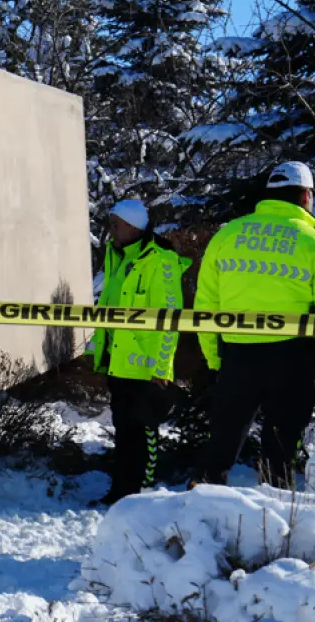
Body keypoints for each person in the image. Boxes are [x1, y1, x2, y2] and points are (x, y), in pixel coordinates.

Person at [191, 161, 315, 490]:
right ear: (305, 196)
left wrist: (215, 359)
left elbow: (205, 304)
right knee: (281, 449)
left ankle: (194, 516)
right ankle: (275, 528)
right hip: (293, 358)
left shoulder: (228, 235)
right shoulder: (312, 241)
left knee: (220, 446)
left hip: (237, 355)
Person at [86, 199, 190, 506]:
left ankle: (143, 496)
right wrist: (97, 348)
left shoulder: (161, 261)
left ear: (133, 226)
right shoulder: (116, 255)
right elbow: (107, 305)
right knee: (124, 431)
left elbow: (172, 317)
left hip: (146, 368)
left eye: (115, 224)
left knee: (144, 432)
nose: (111, 230)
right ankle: (121, 493)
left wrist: (162, 366)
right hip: (118, 360)